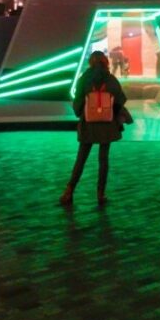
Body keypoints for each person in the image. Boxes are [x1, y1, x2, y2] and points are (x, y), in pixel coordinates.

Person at [60, 50, 126, 207]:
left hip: (88, 123)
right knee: (103, 160)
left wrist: (81, 112)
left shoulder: (84, 78)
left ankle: (69, 191)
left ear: (91, 62)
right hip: (107, 124)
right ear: (104, 62)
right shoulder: (111, 80)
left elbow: (78, 101)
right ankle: (100, 194)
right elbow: (120, 99)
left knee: (81, 158)